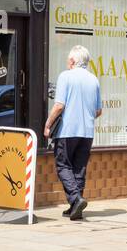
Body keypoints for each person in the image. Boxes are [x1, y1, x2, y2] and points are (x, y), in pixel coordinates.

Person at [44, 45, 103, 221]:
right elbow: (98, 111)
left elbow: (59, 106)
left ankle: (76, 199)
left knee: (63, 165)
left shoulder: (66, 76)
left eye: (68, 60)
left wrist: (48, 124)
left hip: (67, 130)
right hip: (87, 132)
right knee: (79, 168)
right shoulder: (94, 80)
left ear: (72, 61)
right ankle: (76, 208)